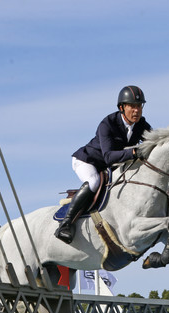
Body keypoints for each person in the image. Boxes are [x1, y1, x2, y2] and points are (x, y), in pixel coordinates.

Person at [55, 85, 152, 244]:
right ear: (122, 107)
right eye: (133, 106)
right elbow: (108, 157)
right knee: (94, 181)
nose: (137, 110)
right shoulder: (108, 124)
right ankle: (65, 224)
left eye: (140, 106)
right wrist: (133, 153)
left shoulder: (142, 124)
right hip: (88, 161)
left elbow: (153, 142)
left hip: (108, 166)